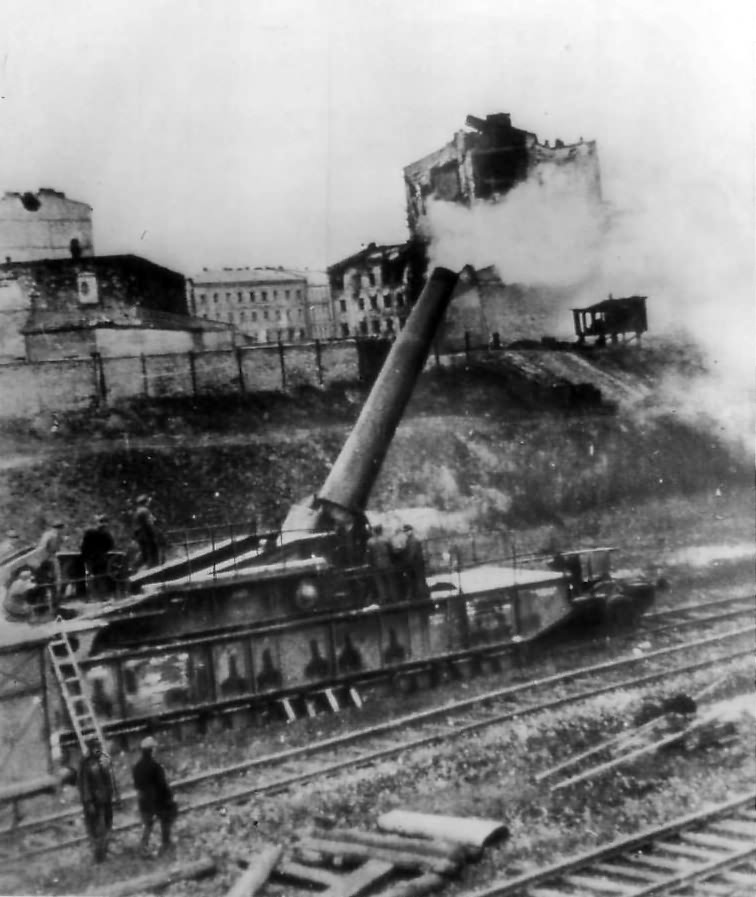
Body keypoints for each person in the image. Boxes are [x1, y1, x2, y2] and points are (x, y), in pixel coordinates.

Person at [132, 736, 177, 857]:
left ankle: (143, 847)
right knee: (166, 820)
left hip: (143, 800)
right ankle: (165, 844)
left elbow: (136, 785)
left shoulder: (137, 767)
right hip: (158, 800)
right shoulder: (155, 766)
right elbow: (162, 785)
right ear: (152, 750)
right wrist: (170, 797)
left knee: (148, 825)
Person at [78, 736, 115, 863]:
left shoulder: (100, 760)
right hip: (95, 803)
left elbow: (108, 777)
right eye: (95, 747)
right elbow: (84, 785)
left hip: (105, 800)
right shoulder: (85, 764)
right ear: (90, 748)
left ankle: (104, 852)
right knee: (98, 830)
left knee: (107, 826)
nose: (98, 749)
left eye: (98, 747)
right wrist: (88, 803)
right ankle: (99, 856)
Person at [80, 514, 116, 599]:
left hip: (89, 558)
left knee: (90, 577)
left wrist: (85, 555)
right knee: (101, 577)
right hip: (101, 558)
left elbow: (83, 546)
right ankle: (103, 596)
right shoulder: (106, 533)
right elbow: (111, 545)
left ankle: (92, 596)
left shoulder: (89, 532)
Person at [36, 520, 65, 611]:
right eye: (59, 528)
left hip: (50, 558)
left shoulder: (53, 535)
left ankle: (54, 604)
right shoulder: (49, 535)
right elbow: (42, 548)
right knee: (51, 582)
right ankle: (49, 605)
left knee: (55, 582)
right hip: (47, 560)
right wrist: (46, 560)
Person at [132, 496, 163, 569]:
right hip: (146, 534)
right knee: (153, 551)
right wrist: (154, 533)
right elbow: (148, 523)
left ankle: (134, 567)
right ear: (145, 502)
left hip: (139, 534)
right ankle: (155, 568)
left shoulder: (137, 511)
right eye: (147, 501)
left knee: (144, 553)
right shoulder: (144, 511)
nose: (149, 503)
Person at [366, 524, 394, 605]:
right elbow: (391, 551)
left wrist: (370, 564)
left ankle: (384, 599)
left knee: (380, 583)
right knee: (390, 581)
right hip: (387, 562)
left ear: (374, 531)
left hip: (376, 564)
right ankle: (393, 597)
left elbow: (368, 555)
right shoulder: (386, 539)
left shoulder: (370, 542)